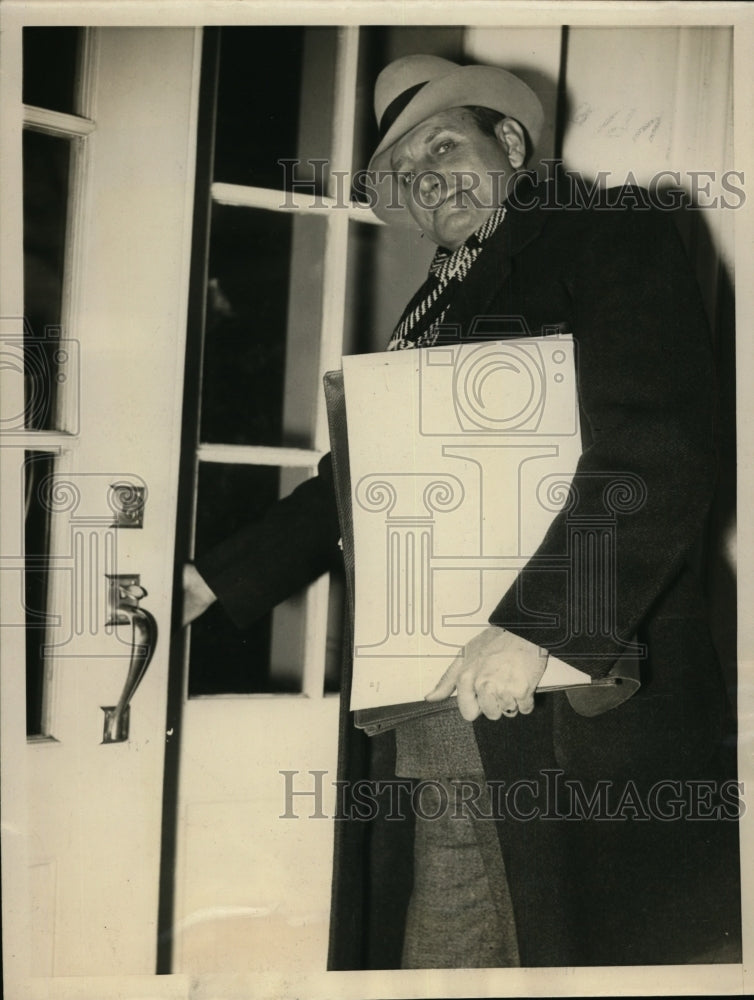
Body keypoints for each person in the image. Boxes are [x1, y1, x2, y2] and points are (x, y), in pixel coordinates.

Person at [184, 55, 740, 968]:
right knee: (452, 906)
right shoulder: (438, 298)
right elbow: (365, 476)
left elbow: (655, 445)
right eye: (403, 168)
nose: (423, 173)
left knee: (540, 939)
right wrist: (220, 575)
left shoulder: (603, 230)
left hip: (566, 681)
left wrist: (537, 629)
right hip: (438, 676)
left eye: (444, 141)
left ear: (511, 141)